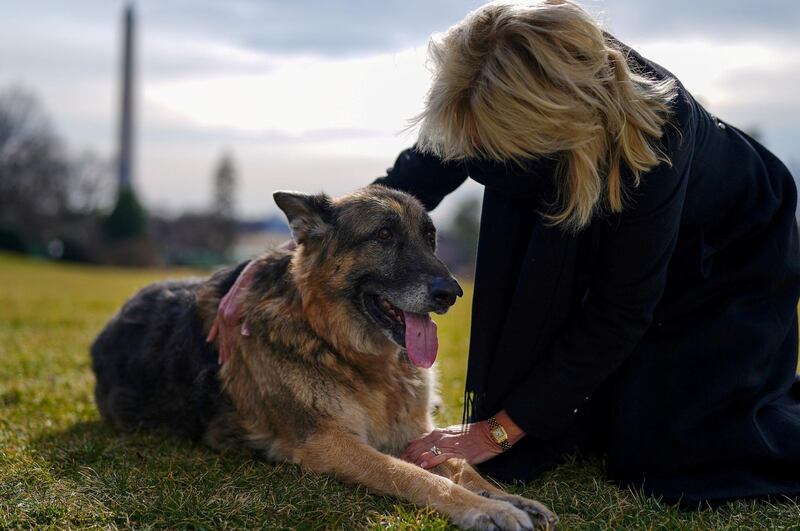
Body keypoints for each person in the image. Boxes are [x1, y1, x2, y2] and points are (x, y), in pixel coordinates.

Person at [209, 0, 800, 504]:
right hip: (597, 197)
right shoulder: (482, 81)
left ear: (548, 124)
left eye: (492, 146)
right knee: (573, 431)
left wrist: (493, 432)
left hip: (727, 244)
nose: (472, 152)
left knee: (676, 457)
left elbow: (620, 308)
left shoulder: (655, 137)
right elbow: (390, 197)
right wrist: (271, 264)